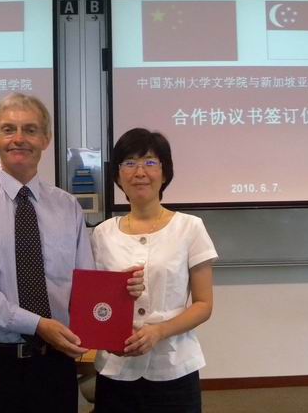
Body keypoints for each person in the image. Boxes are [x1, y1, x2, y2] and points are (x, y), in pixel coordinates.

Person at [0, 93, 143, 413]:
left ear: (46, 139)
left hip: (52, 366)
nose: (19, 138)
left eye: (30, 130)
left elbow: (84, 287)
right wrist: (36, 324)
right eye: (8, 129)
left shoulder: (67, 206)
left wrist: (116, 296)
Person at [91, 127, 218, 413]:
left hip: (173, 367)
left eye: (150, 162)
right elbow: (94, 304)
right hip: (116, 367)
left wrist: (159, 331)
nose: (140, 172)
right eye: (129, 163)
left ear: (165, 172)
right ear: (118, 176)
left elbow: (204, 305)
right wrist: (109, 329)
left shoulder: (190, 228)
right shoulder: (102, 234)